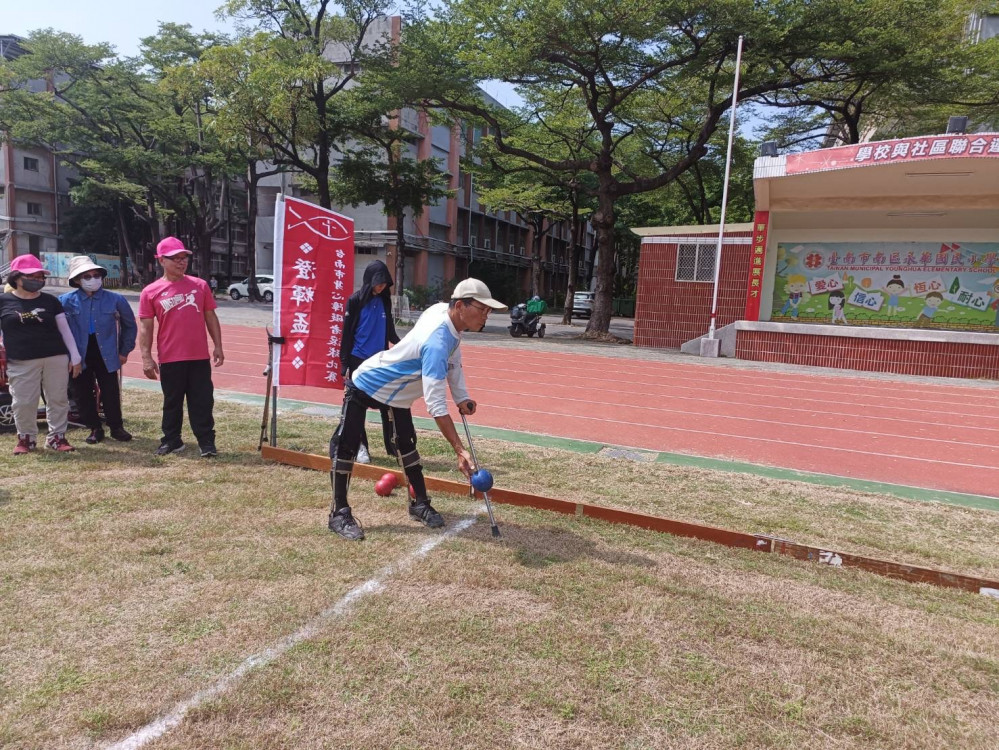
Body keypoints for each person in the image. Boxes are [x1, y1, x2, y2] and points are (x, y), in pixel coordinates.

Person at [327, 278, 507, 541]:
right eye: (482, 309)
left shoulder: (444, 317)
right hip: (367, 382)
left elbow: (453, 361)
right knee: (347, 446)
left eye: (488, 310)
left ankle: (419, 503)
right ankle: (339, 514)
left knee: (407, 446)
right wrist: (460, 450)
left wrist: (462, 396)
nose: (486, 315)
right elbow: (435, 405)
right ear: (459, 306)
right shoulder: (436, 342)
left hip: (397, 394)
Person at [138, 237, 225, 457]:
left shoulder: (200, 285)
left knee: (202, 400)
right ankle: (172, 440)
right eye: (175, 258)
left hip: (198, 357)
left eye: (183, 258)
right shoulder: (150, 292)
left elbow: (210, 316)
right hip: (170, 357)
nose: (181, 262)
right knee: (172, 402)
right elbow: (146, 328)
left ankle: (206, 442)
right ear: (161, 261)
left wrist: (218, 345)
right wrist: (146, 358)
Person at [0, 255, 82, 454]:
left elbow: (64, 330)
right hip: (20, 360)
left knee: (58, 399)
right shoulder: (3, 301)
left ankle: (57, 437)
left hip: (55, 357)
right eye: (32, 276)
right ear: (17, 278)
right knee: (23, 401)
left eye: (40, 276)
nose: (37, 280)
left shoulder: (51, 301)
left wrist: (75, 356)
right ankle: (26, 439)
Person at [59, 256, 138, 444]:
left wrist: (124, 351)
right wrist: (69, 357)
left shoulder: (115, 299)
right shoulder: (65, 301)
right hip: (79, 354)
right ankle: (94, 427)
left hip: (107, 352)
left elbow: (130, 325)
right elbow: (59, 331)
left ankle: (116, 427)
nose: (93, 279)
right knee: (82, 392)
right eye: (87, 276)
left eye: (96, 275)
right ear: (77, 280)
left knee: (110, 391)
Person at [339, 260, 400, 464]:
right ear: (369, 281)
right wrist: (344, 363)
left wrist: (405, 346)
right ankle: (361, 447)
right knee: (357, 408)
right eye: (378, 282)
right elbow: (346, 334)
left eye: (384, 283)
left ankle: (393, 446)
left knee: (387, 404)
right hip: (358, 361)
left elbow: (390, 331)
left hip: (380, 361)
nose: (381, 286)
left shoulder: (385, 301)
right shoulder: (355, 301)